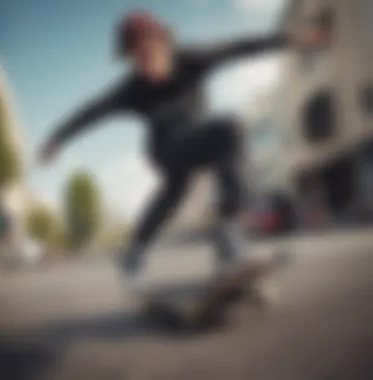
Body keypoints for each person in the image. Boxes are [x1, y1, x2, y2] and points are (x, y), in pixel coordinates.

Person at [38, 11, 330, 284]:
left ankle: (210, 237)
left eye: (149, 53)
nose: (146, 65)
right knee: (195, 163)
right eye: (137, 59)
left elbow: (241, 47)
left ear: (164, 42)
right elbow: (93, 110)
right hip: (164, 149)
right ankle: (162, 248)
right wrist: (56, 139)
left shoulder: (192, 59)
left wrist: (295, 40)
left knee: (202, 159)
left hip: (198, 140)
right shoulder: (131, 88)